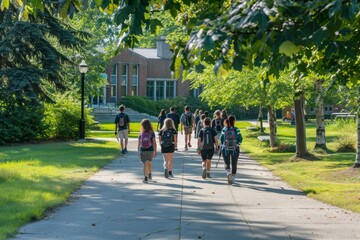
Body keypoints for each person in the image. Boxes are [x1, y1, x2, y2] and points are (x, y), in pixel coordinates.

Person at [220, 115, 243, 185]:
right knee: (234, 163)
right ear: (234, 121)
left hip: (225, 149)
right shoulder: (237, 129)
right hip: (235, 149)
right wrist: (238, 143)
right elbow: (240, 139)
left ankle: (228, 173)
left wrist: (222, 144)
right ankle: (233, 178)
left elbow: (221, 139)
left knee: (227, 162)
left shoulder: (224, 129)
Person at [138, 119, 157, 183]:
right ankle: (150, 174)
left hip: (143, 150)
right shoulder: (152, 133)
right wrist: (155, 151)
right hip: (150, 150)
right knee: (150, 162)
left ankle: (145, 177)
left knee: (145, 164)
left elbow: (139, 144)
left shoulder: (141, 133)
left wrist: (138, 151)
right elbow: (154, 142)